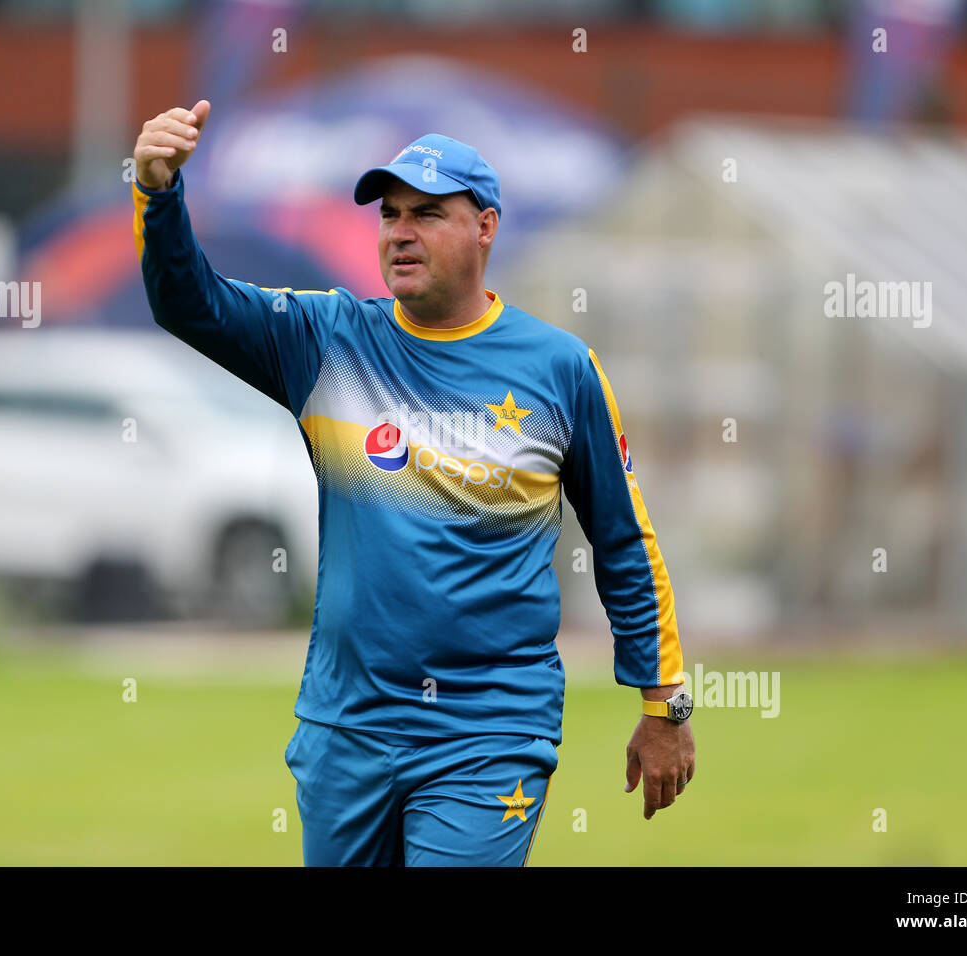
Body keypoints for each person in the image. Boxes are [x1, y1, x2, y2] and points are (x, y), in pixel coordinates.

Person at [132, 100, 696, 866]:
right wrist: (159, 194)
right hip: (347, 727)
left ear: (486, 227)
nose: (399, 231)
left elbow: (623, 540)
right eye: (390, 214)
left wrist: (665, 703)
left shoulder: (559, 368)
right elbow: (188, 303)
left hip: (490, 730)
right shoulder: (327, 341)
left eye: (427, 214)